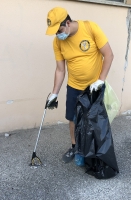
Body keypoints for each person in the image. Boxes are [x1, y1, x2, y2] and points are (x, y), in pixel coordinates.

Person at [45, 7, 114, 163]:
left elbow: (109, 54)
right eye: (55, 32)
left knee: (94, 120)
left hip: (94, 86)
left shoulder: (90, 28)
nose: (58, 34)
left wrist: (101, 80)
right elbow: (60, 69)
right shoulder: (58, 42)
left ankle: (95, 151)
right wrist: (54, 93)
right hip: (74, 86)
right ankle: (75, 147)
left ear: (68, 23)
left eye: (59, 30)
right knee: (73, 118)